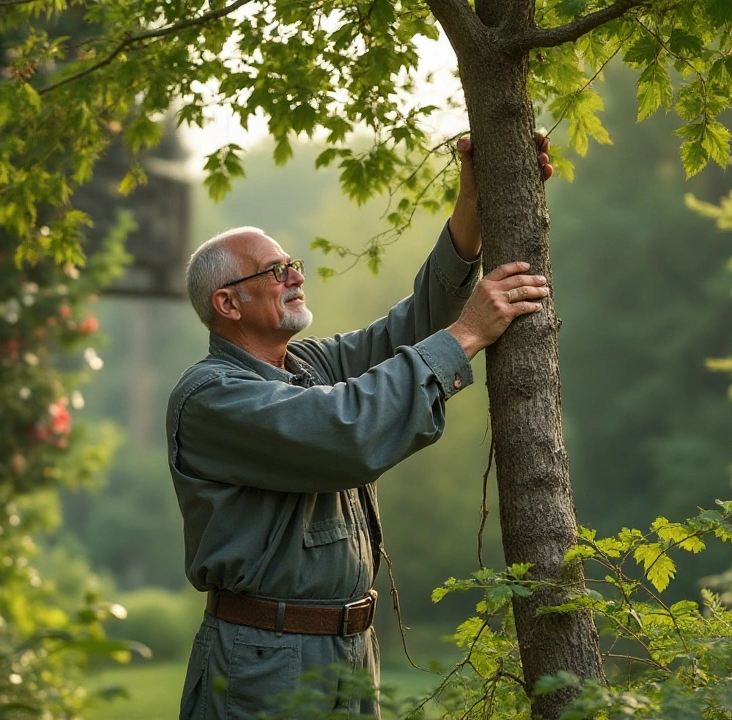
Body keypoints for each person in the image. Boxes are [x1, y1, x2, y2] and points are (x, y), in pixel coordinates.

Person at [166, 134, 553, 720]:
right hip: (265, 661)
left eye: (291, 264)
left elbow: (415, 322)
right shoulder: (210, 398)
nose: (296, 276)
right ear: (228, 304)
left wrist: (471, 200)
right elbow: (347, 432)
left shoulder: (307, 366)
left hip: (351, 653)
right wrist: (470, 333)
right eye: (275, 271)